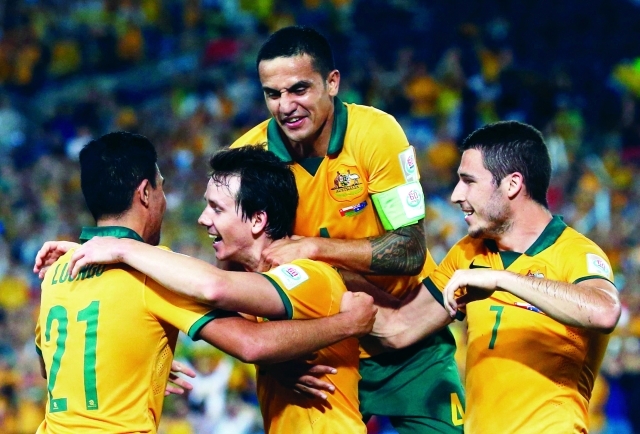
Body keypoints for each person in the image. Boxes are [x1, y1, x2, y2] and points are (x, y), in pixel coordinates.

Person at [35, 133, 376, 433]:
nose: (202, 219)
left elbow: (51, 365)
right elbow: (250, 340)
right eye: (162, 187)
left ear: (258, 219)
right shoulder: (152, 272)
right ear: (145, 194)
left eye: (217, 208)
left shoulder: (59, 271)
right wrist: (135, 363)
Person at [229, 25, 464, 433]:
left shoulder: (376, 134)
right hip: (316, 354)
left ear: (332, 83)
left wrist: (315, 249)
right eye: (273, 94)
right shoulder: (247, 162)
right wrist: (276, 361)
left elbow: (410, 250)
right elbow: (234, 274)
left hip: (409, 339)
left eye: (299, 89)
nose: (286, 106)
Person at [368, 120, 621, 433]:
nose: (456, 194)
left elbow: (604, 311)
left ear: (512, 185)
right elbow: (398, 328)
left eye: (468, 181)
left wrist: (501, 279)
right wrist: (326, 272)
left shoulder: (575, 252)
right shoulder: (468, 252)